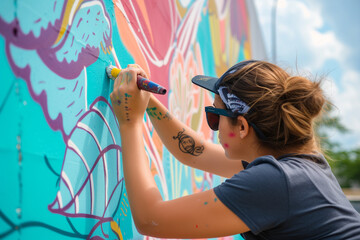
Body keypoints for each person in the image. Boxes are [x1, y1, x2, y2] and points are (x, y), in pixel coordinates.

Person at [110, 60, 360, 239]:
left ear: (241, 126)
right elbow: (195, 152)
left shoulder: (275, 181)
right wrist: (148, 102)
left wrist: (130, 122)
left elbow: (151, 219)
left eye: (215, 116)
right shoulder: (293, 168)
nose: (214, 127)